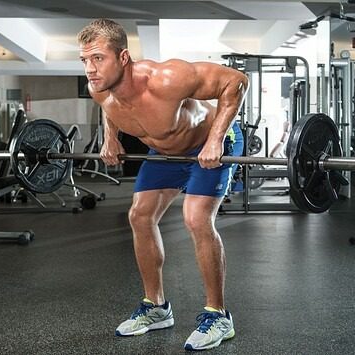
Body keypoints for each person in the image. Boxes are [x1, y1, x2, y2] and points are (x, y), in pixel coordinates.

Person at [78, 19, 247, 351]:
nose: (90, 69)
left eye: (98, 58)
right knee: (140, 216)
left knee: (196, 218)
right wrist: (110, 138)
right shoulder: (98, 89)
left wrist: (214, 141)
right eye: (84, 60)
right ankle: (156, 308)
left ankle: (219, 315)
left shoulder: (167, 78)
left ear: (123, 57)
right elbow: (111, 109)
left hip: (209, 144)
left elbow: (236, 82)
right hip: (165, 151)